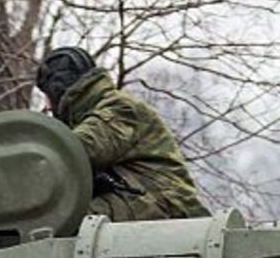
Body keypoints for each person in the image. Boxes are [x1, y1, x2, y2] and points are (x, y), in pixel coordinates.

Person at [35, 47, 209, 222]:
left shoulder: (120, 107)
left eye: (47, 96)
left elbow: (81, 150)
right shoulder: (93, 113)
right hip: (139, 196)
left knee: (64, 222)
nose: (48, 106)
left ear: (59, 89)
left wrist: (24, 166)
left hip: (166, 202)